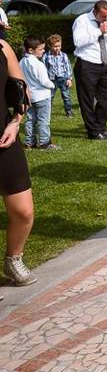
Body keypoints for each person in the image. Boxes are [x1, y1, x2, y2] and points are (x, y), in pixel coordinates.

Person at [0, 37, 37, 286]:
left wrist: (16, 122)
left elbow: (22, 91)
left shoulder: (2, 47)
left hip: (4, 137)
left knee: (24, 211)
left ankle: (13, 259)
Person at [72, 0, 107, 140]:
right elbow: (78, 41)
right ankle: (93, 131)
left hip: (104, 64)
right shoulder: (82, 21)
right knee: (86, 99)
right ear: (95, 11)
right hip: (87, 64)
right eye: (104, 16)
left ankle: (101, 128)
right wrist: (99, 31)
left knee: (105, 99)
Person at [19, 37, 59, 150]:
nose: (43, 51)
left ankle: (29, 142)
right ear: (31, 50)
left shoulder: (22, 62)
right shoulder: (38, 64)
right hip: (42, 96)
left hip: (29, 96)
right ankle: (45, 142)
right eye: (41, 49)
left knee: (30, 120)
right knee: (43, 120)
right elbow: (44, 81)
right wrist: (52, 84)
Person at [43, 34, 73, 117]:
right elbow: (43, 68)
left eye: (59, 46)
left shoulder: (64, 56)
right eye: (55, 46)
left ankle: (69, 111)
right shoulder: (46, 56)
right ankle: (47, 112)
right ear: (49, 46)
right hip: (51, 80)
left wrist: (69, 79)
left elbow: (68, 67)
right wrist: (45, 79)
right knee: (50, 97)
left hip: (63, 78)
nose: (57, 48)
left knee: (66, 96)